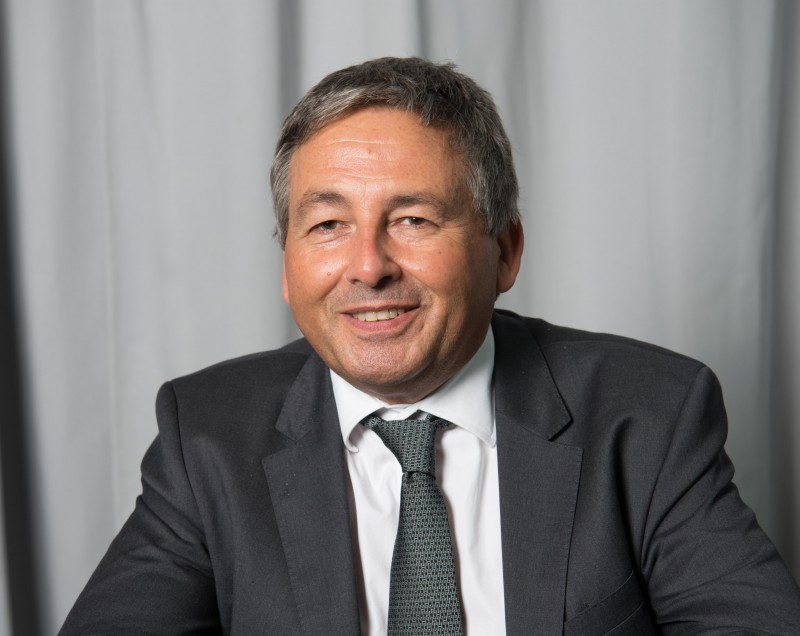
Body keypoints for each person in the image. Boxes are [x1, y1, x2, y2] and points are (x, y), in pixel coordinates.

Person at [60, 57, 800, 635]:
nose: (368, 266)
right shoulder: (208, 435)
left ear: (505, 252)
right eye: (327, 226)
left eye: (412, 219)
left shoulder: (650, 416)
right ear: (286, 268)